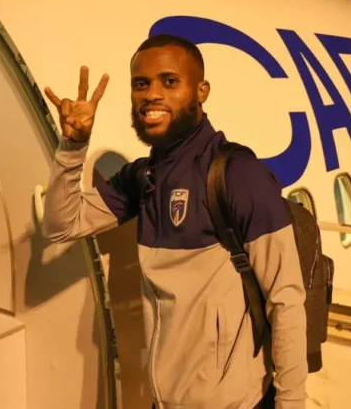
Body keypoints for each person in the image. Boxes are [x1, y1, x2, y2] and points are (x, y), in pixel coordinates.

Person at [41, 34, 308, 409]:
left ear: (201, 91)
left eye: (169, 81)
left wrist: (291, 403)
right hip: (164, 401)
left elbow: (286, 300)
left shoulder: (237, 174)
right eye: (141, 84)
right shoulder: (144, 177)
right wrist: (73, 147)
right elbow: (61, 225)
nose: (152, 94)